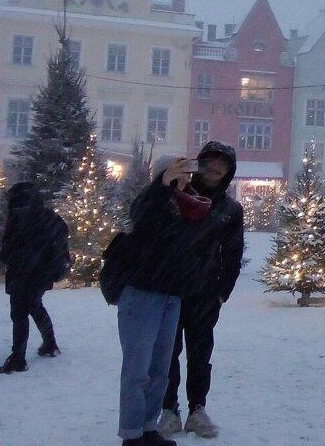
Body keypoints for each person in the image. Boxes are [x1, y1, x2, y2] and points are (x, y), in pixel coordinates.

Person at [117, 150, 238, 446]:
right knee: (141, 367)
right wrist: (162, 184)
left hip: (181, 293)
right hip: (147, 292)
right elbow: (141, 221)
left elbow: (227, 251)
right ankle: (138, 430)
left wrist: (221, 291)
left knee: (164, 365)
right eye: (178, 170)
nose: (185, 175)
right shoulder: (155, 198)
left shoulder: (192, 202)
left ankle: (150, 427)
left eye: (186, 170)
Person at [159, 141, 243, 440]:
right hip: (170, 289)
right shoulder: (178, 194)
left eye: (223, 164)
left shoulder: (230, 209)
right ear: (200, 163)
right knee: (167, 352)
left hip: (205, 294)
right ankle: (169, 410)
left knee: (200, 353)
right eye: (210, 162)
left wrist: (222, 292)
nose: (215, 168)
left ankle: (197, 409)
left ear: (229, 171)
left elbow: (233, 254)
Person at [0, 182, 69, 374]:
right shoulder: (47, 217)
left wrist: (2, 255)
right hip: (41, 274)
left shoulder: (20, 218)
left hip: (24, 273)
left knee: (19, 313)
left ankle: (18, 358)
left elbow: (14, 248)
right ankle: (50, 344)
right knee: (34, 307)